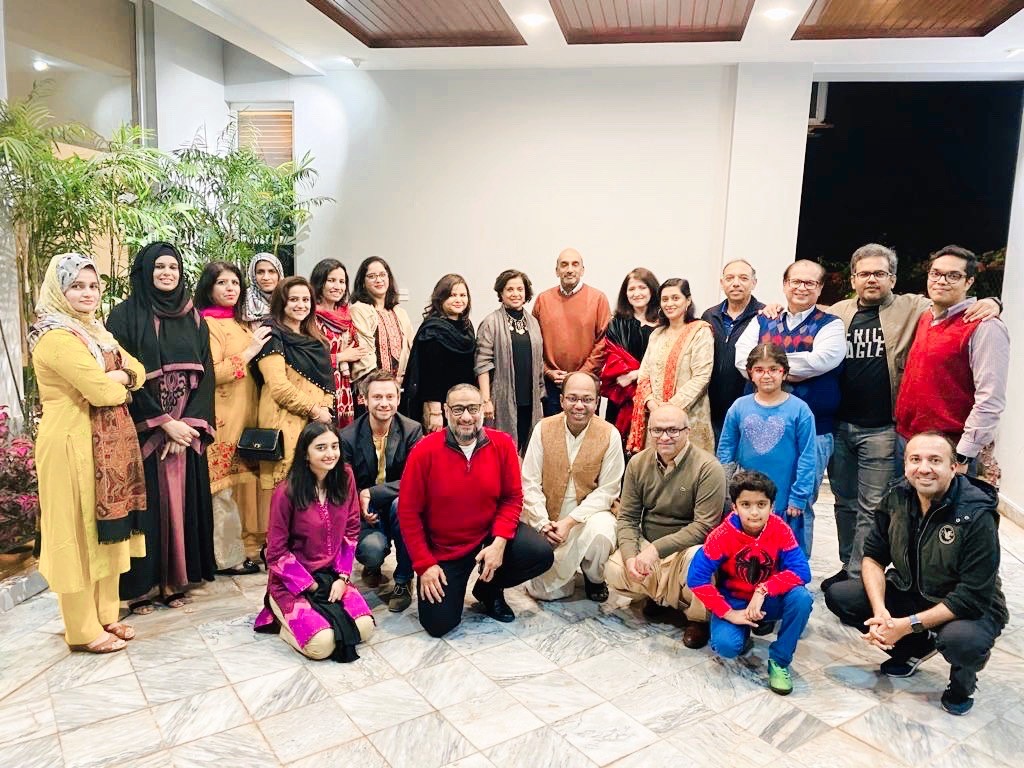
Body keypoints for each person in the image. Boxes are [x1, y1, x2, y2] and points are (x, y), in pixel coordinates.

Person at [824, 243, 1000, 590]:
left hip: (886, 430)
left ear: (892, 278)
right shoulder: (839, 313)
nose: (871, 279)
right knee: (845, 502)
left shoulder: (914, 308)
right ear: (853, 279)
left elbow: (990, 397)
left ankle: (860, 576)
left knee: (874, 507)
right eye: (864, 273)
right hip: (844, 427)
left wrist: (994, 302)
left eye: (879, 273)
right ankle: (851, 566)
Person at [824, 432, 1008, 716]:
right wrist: (881, 612)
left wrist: (907, 624)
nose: (924, 468)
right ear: (906, 464)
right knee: (841, 595)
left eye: (935, 460)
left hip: (969, 607)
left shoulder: (976, 514)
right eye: (915, 459)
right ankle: (914, 648)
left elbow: (971, 596)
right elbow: (873, 556)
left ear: (954, 467)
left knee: (961, 642)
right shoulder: (897, 496)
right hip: (913, 590)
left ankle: (962, 683)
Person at [29, 253, 148, 652]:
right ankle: (82, 630)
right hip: (70, 443)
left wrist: (120, 375)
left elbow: (139, 369)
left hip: (104, 444)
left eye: (93, 286)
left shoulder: (96, 332)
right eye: (76, 286)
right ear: (58, 291)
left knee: (104, 530)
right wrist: (120, 381)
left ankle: (105, 615)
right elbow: (100, 392)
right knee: (76, 534)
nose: (88, 293)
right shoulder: (55, 337)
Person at [106, 242, 216, 613]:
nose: (167, 273)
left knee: (181, 505)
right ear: (145, 271)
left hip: (185, 431)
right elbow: (121, 375)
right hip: (145, 430)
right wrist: (164, 424)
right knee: (146, 509)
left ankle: (174, 581)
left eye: (173, 267)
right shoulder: (123, 317)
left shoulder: (194, 317)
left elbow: (207, 374)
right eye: (159, 267)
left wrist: (188, 428)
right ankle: (141, 587)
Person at [397, 384, 554, 637]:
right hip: (446, 548)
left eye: (473, 408)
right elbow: (408, 513)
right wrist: (425, 565)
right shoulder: (424, 451)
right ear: (446, 411)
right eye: (458, 409)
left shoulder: (502, 443)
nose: (466, 417)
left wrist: (499, 543)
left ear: (483, 409)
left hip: (488, 536)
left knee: (539, 553)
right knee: (438, 624)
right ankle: (461, 585)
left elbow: (512, 497)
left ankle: (489, 589)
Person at [735, 259, 845, 556]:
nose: (802, 287)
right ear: (785, 284)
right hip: (758, 427)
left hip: (814, 431)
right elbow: (741, 360)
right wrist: (792, 363)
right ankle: (753, 564)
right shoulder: (763, 320)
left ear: (820, 288)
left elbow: (822, 360)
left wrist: (766, 363)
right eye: (796, 281)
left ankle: (794, 570)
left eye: (810, 282)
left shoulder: (831, 324)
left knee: (799, 503)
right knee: (754, 499)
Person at [606, 404, 726, 649]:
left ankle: (697, 619)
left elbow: (704, 527)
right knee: (614, 569)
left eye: (673, 430)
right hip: (649, 542)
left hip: (686, 549)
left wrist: (655, 550)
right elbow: (627, 517)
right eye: (657, 430)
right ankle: (660, 598)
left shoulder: (708, 468)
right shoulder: (638, 463)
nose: (664, 437)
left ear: (687, 431)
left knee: (699, 562)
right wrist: (630, 556)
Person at [254, 423, 375, 660]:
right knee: (322, 645)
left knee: (364, 628)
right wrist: (312, 586)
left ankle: (311, 622)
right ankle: (279, 617)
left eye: (334, 446)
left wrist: (342, 579)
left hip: (332, 576)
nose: (330, 454)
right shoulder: (286, 492)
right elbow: (276, 553)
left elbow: (351, 530)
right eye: (321, 448)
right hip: (292, 582)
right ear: (305, 454)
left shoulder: (345, 477)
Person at [688, 470, 812, 695]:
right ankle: (743, 627)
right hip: (734, 600)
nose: (754, 512)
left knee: (802, 598)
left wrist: (764, 589)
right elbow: (696, 578)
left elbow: (802, 571)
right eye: (746, 504)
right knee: (726, 647)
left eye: (761, 504)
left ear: (772, 506)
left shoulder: (780, 529)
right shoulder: (721, 535)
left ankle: (779, 661)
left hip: (768, 599)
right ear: (734, 507)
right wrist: (728, 613)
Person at [895, 245, 1009, 488]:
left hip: (949, 450)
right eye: (935, 273)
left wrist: (964, 454)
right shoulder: (926, 317)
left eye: (953, 275)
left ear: (969, 281)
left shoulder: (984, 326)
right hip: (909, 442)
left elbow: (990, 399)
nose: (941, 281)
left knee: (947, 513)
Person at [194, 261, 272, 575]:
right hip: (223, 417)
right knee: (223, 488)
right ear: (209, 288)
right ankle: (227, 557)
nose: (230, 288)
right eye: (222, 283)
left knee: (245, 486)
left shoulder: (238, 321)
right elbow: (212, 373)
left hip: (247, 414)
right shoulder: (207, 324)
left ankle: (249, 548)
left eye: (235, 283)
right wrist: (249, 352)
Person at [521, 372, 624, 602]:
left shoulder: (610, 434)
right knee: (546, 593)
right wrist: (543, 523)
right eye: (572, 398)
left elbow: (608, 490)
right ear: (561, 400)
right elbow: (530, 482)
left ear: (597, 402)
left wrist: (570, 522)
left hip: (587, 517)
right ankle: (555, 565)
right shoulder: (543, 428)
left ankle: (593, 576)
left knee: (601, 534)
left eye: (587, 399)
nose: (579, 405)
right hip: (547, 515)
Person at [717, 345, 817, 556]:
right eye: (759, 370)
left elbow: (807, 456)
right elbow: (726, 451)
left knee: (784, 553)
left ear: (785, 372)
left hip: (785, 498)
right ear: (750, 373)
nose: (766, 375)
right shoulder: (739, 407)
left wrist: (799, 496)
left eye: (773, 369)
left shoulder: (800, 410)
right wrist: (726, 492)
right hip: (747, 496)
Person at [251, 276, 336, 518]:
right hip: (283, 423)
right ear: (282, 302)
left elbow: (328, 383)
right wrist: (315, 411)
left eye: (306, 299)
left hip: (316, 425)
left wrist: (325, 411)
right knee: (285, 493)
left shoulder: (316, 339)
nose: (301, 305)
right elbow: (279, 387)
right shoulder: (271, 335)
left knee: (316, 487)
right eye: (294, 299)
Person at [340, 370, 423, 611]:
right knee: (371, 550)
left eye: (389, 397)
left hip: (401, 506)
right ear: (365, 399)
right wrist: (361, 500)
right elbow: (344, 486)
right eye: (377, 397)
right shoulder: (347, 437)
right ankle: (373, 563)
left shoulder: (412, 430)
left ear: (398, 399)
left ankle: (403, 579)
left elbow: (416, 480)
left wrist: (372, 492)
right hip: (366, 512)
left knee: (401, 505)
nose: (384, 403)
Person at [627, 279, 714, 454]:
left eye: (675, 298)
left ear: (688, 300)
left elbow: (701, 377)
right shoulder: (657, 334)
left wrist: (670, 409)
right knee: (656, 466)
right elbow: (644, 375)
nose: (669, 303)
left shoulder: (700, 332)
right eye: (665, 299)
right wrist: (652, 405)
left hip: (688, 418)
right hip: (656, 418)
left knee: (687, 467)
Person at [532, 248, 611, 416]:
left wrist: (580, 375)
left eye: (575, 264)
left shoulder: (598, 299)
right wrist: (547, 371)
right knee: (553, 430)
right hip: (553, 385)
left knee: (588, 432)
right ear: (557, 271)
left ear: (582, 270)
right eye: (564, 265)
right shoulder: (543, 300)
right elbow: (533, 343)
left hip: (587, 384)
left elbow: (604, 342)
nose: (569, 269)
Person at [475, 269, 544, 452]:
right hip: (501, 400)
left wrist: (540, 396)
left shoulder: (533, 322)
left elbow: (539, 362)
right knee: (501, 449)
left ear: (526, 292)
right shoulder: (491, 322)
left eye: (520, 289)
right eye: (510, 289)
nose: (515, 294)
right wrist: (485, 400)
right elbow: (482, 364)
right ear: (501, 293)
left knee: (527, 447)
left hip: (530, 400)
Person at [402, 274, 477, 433]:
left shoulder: (467, 327)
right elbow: (430, 376)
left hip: (463, 403)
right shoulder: (433, 330)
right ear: (441, 298)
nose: (458, 300)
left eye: (463, 295)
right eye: (452, 295)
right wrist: (435, 412)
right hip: (440, 407)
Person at [701, 259, 765, 444]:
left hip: (748, 405)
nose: (736, 283)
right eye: (730, 278)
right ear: (722, 283)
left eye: (743, 278)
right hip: (712, 407)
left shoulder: (765, 316)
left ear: (754, 283)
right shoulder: (709, 315)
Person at [601, 267, 660, 443]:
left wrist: (636, 374)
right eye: (631, 289)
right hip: (623, 397)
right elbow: (614, 363)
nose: (637, 293)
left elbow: (665, 362)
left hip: (655, 396)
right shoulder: (616, 324)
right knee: (617, 444)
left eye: (642, 287)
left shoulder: (664, 324)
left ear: (652, 290)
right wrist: (629, 377)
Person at [311, 258, 368, 429]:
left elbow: (356, 348)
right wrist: (341, 357)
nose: (338, 286)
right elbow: (307, 360)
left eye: (342, 282)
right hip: (320, 387)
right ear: (319, 282)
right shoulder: (310, 317)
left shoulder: (346, 316)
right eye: (331, 280)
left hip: (344, 388)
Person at [349, 256, 415, 384]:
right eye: (372, 276)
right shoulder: (359, 310)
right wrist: (382, 383)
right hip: (370, 385)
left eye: (382, 275)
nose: (378, 280)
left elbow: (411, 350)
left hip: (400, 385)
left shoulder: (400, 313)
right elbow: (364, 353)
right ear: (363, 282)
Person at [242, 252, 284, 326]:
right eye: (260, 272)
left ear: (279, 275)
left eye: (271, 272)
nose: (266, 277)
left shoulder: (288, 299)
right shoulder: (242, 300)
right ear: (253, 275)